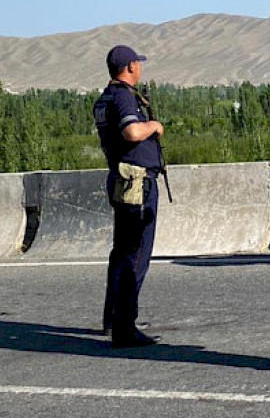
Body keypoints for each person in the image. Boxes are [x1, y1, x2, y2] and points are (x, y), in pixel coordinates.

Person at [93, 45, 164, 348]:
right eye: (138, 63)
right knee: (135, 253)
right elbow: (132, 133)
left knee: (121, 251)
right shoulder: (122, 96)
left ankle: (114, 317)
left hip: (121, 180)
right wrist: (154, 126)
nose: (141, 68)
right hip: (136, 183)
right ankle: (125, 325)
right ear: (130, 67)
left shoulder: (105, 97)